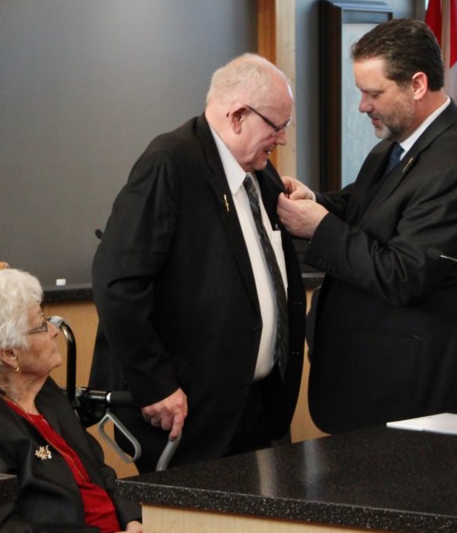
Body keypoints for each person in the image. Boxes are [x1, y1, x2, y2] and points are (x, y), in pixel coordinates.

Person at [89, 53, 306, 472]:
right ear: (238, 115)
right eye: (276, 126)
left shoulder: (259, 173)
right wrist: (155, 385)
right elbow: (117, 282)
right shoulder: (171, 162)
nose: (281, 140)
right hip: (187, 414)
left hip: (255, 411)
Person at [277, 18, 457, 434]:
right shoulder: (396, 146)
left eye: (373, 93)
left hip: (412, 393)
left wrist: (320, 227)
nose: (362, 106)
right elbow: (364, 207)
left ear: (416, 84)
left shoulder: (454, 164)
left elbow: (404, 274)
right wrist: (315, 200)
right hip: (370, 384)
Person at [0, 269, 142, 533]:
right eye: (42, 324)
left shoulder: (44, 391)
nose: (55, 331)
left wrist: (132, 518)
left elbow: (98, 469)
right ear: (9, 354)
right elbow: (3, 528)